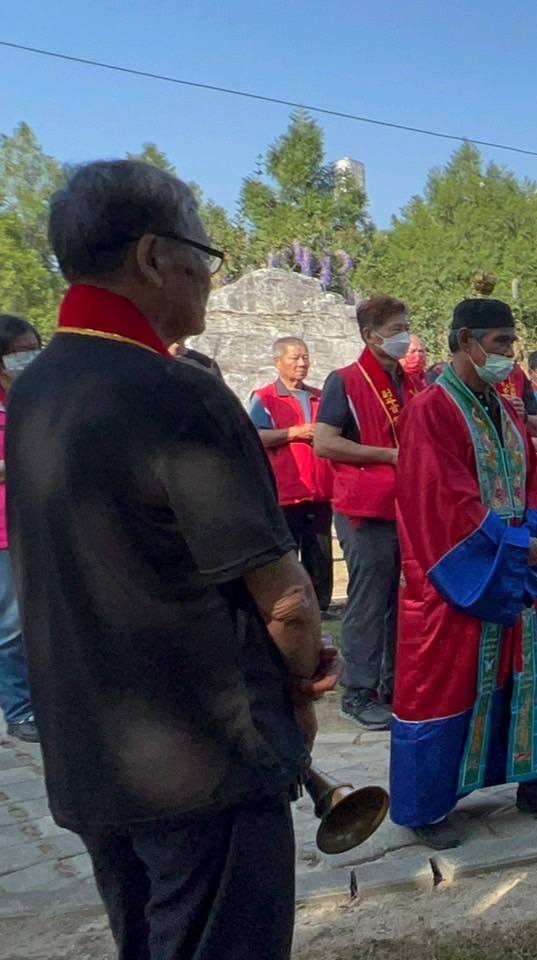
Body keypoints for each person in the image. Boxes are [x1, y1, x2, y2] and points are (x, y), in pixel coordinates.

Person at [10, 158, 335, 960]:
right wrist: (300, 680)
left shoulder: (36, 387)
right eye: (204, 254)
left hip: (92, 756)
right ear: (155, 256)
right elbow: (285, 597)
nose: (208, 278)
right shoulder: (179, 392)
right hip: (206, 761)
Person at [391, 299, 537, 850]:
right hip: (457, 568)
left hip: (512, 560)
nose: (510, 353)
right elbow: (441, 497)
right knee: (444, 683)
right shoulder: (430, 410)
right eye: (502, 342)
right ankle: (426, 805)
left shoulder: (506, 409)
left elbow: (531, 479)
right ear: (466, 341)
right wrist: (510, 545)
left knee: (526, 672)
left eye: (511, 341)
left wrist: (531, 532)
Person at [314, 294, 423, 730]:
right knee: (369, 601)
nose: (404, 336)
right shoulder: (345, 380)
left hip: (407, 506)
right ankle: (358, 693)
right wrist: (386, 455)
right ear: (369, 335)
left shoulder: (412, 382)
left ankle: (395, 685)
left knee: (402, 600)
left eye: (405, 327)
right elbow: (324, 442)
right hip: (365, 508)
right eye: (396, 330)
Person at [248, 337, 336, 615]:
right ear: (278, 362)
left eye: (305, 358)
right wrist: (294, 433)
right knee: (289, 553)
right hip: (286, 489)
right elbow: (255, 436)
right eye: (295, 358)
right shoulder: (265, 397)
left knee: (320, 552)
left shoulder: (319, 395)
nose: (302, 363)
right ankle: (294, 607)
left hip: (321, 488)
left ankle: (321, 607)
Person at [0, 314, 42, 743]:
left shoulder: (36, 397)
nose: (29, 358)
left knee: (42, 618)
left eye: (34, 348)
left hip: (39, 522)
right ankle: (18, 709)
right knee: (10, 624)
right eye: (18, 352)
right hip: (3, 529)